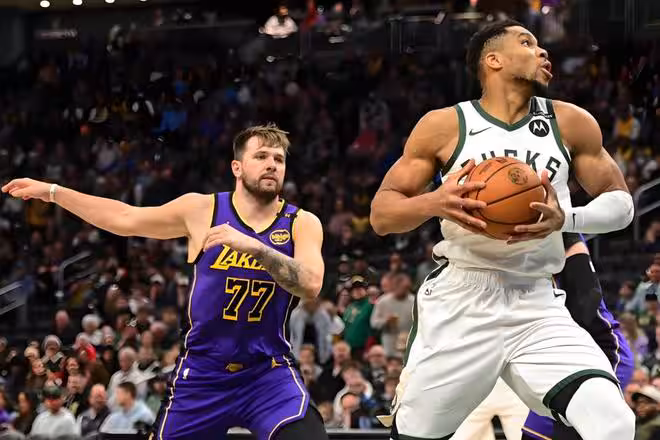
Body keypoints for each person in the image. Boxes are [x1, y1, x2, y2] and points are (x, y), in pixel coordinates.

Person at [370, 19, 635, 440]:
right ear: (492, 60)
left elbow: (622, 206)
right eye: (527, 43)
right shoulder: (445, 125)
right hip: (462, 300)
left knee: (613, 422)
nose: (542, 51)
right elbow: (382, 215)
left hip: (536, 300)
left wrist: (566, 218)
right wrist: (435, 202)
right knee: (418, 433)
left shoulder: (570, 121)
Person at [2, 124, 328, 440]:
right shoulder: (202, 209)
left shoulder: (301, 223)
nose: (272, 164)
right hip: (202, 373)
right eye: (261, 156)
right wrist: (53, 192)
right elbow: (125, 218)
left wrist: (254, 247)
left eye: (279, 159)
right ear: (237, 167)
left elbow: (311, 284)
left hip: (267, 373)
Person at [522, 233, 634, 440]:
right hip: (557, 360)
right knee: (534, 432)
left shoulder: (561, 238)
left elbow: (586, 302)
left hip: (602, 350)